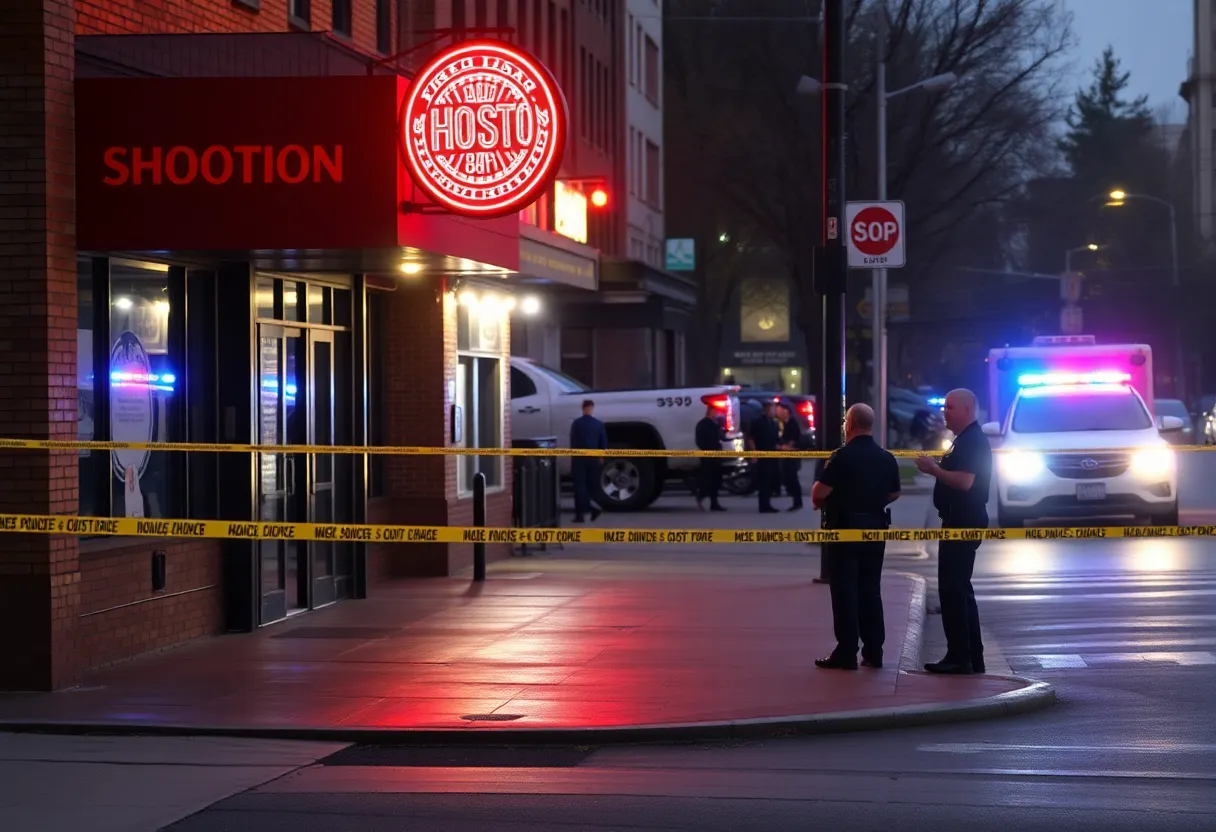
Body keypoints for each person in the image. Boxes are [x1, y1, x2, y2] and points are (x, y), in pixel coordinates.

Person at [811, 404, 901, 670]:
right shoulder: (886, 458)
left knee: (844, 591)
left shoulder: (841, 457)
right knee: (871, 590)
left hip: (843, 532)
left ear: (848, 424)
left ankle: (847, 651)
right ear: (870, 425)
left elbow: (820, 493)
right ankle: (874, 651)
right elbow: (894, 493)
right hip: (875, 529)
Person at [915, 388, 993, 674]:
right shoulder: (964, 441)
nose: (943, 412)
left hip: (963, 521)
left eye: (949, 408)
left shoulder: (972, 441)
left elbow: (965, 483)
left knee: (953, 589)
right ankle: (971, 656)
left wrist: (933, 469)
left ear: (967, 410)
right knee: (959, 588)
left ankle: (960, 657)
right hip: (956, 518)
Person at [569, 399, 607, 523]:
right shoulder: (599, 424)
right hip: (594, 457)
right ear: (592, 408)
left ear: (583, 408)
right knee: (591, 485)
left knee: (579, 486)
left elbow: (573, 441)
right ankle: (590, 508)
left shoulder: (577, 423)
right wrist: (601, 456)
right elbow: (603, 443)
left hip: (580, 457)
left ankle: (582, 513)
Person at [749, 400, 781, 513]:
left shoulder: (774, 423)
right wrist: (754, 453)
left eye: (774, 409)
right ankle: (763, 505)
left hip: (772, 455)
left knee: (770, 480)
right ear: (766, 409)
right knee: (764, 481)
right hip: (762, 455)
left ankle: (768, 503)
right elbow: (751, 438)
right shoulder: (757, 422)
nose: (773, 411)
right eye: (772, 409)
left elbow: (777, 440)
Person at [695, 405, 727, 512]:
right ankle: (701, 497)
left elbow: (721, 437)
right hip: (708, 456)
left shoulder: (715, 424)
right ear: (709, 412)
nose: (716, 414)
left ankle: (714, 502)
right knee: (708, 479)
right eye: (714, 412)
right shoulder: (703, 424)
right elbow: (699, 440)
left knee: (716, 479)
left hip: (717, 455)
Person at [777, 402, 804, 510]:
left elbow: (795, 438)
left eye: (780, 410)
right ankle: (792, 496)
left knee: (793, 477)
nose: (778, 412)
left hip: (792, 454)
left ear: (786, 411)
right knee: (787, 477)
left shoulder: (792, 423)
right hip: (784, 454)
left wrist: (786, 446)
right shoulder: (781, 424)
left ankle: (797, 501)